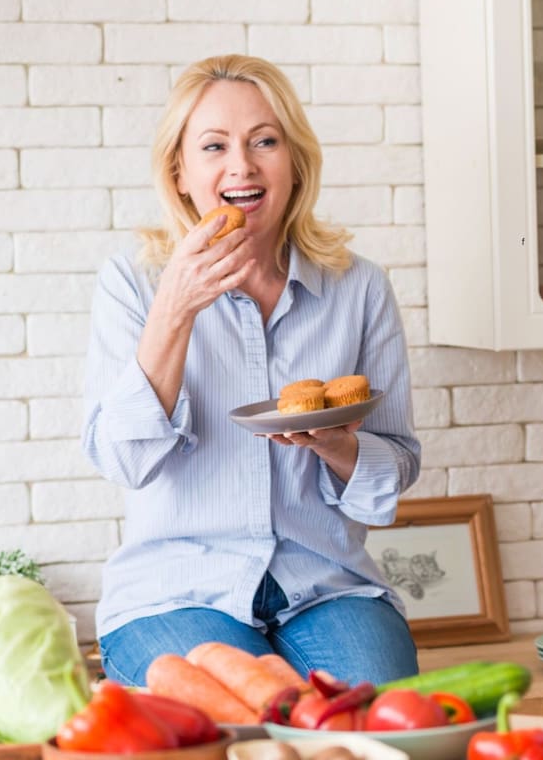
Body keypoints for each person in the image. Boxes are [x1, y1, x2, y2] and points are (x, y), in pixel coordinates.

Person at [82, 54, 421, 688]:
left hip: (327, 584)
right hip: (174, 590)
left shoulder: (359, 287)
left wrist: (341, 445)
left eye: (264, 141)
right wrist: (175, 308)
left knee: (375, 720)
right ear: (181, 172)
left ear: (293, 162)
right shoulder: (134, 283)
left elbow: (395, 468)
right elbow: (123, 461)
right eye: (215, 146)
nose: (242, 165)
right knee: (245, 720)